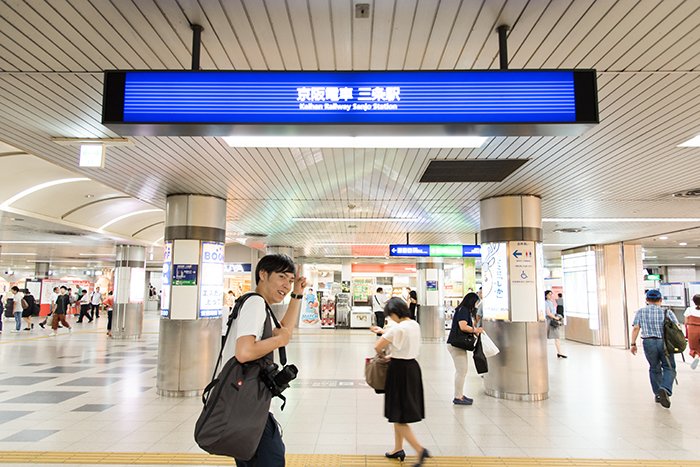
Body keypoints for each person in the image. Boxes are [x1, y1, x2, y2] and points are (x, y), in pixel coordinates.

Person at [221, 254, 306, 467]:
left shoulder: (260, 305)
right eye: (281, 277)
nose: (286, 285)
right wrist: (280, 340)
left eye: (290, 280)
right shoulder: (255, 304)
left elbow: (283, 330)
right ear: (263, 274)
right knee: (271, 459)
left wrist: (297, 295)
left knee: (255, 460)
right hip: (245, 404)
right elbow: (245, 351)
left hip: (245, 401)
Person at [373, 297, 430, 467]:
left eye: (390, 316)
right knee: (398, 413)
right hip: (412, 367)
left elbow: (378, 347)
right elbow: (404, 344)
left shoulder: (397, 329)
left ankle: (420, 450)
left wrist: (384, 356)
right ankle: (397, 448)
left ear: (395, 313)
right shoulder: (414, 324)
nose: (390, 319)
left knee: (398, 414)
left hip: (398, 371)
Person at [630, 289, 681, 408]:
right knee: (669, 367)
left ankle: (658, 394)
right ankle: (665, 388)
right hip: (664, 343)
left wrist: (633, 344)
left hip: (648, 342)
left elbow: (636, 328)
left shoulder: (641, 312)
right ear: (660, 300)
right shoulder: (667, 312)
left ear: (647, 300)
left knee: (654, 368)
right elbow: (677, 327)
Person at [446, 292, 483, 406]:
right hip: (456, 345)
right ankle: (458, 397)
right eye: (476, 302)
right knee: (461, 371)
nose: (476, 305)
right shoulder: (463, 310)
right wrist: (476, 330)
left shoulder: (463, 309)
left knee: (462, 370)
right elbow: (463, 326)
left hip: (457, 344)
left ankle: (460, 394)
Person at [545, 290, 567, 358]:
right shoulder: (546, 303)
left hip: (553, 320)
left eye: (551, 294)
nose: (551, 296)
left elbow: (553, 311)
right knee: (546, 336)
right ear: (546, 295)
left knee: (557, 337)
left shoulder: (551, 302)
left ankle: (559, 352)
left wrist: (557, 317)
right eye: (549, 294)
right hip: (549, 321)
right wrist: (555, 317)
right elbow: (548, 313)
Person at [685, 294, 700, 370]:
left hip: (692, 330)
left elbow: (685, 322)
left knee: (693, 347)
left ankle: (696, 356)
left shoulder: (689, 309)